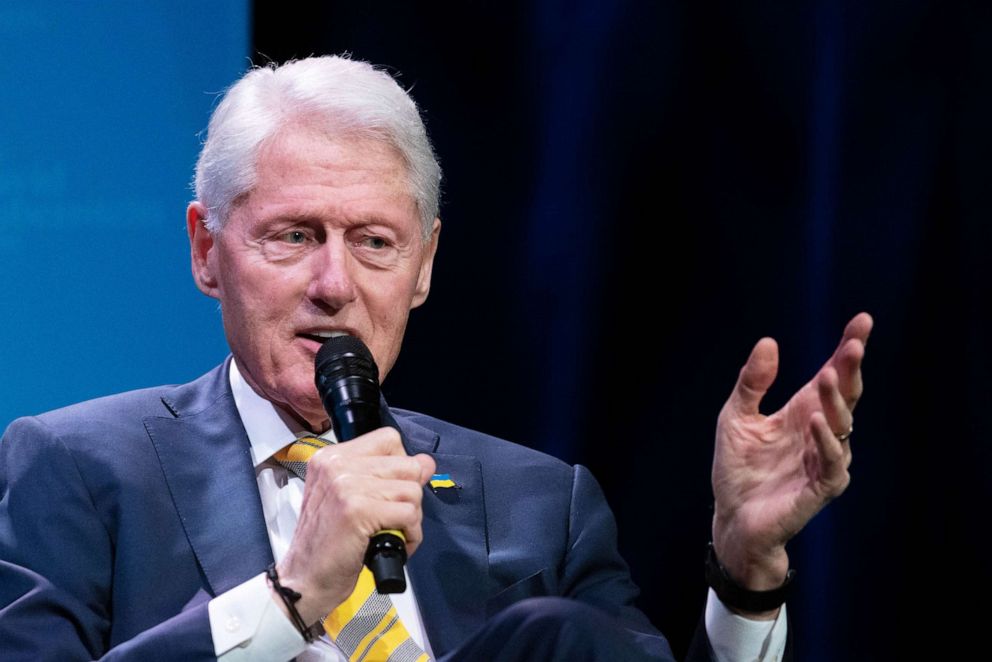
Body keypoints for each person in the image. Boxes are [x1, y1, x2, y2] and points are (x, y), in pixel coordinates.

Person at [0, 56, 871, 661]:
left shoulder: (541, 502)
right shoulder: (76, 468)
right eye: (294, 236)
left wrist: (746, 576)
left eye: (375, 242)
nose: (333, 283)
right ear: (205, 250)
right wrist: (291, 594)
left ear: (423, 266)